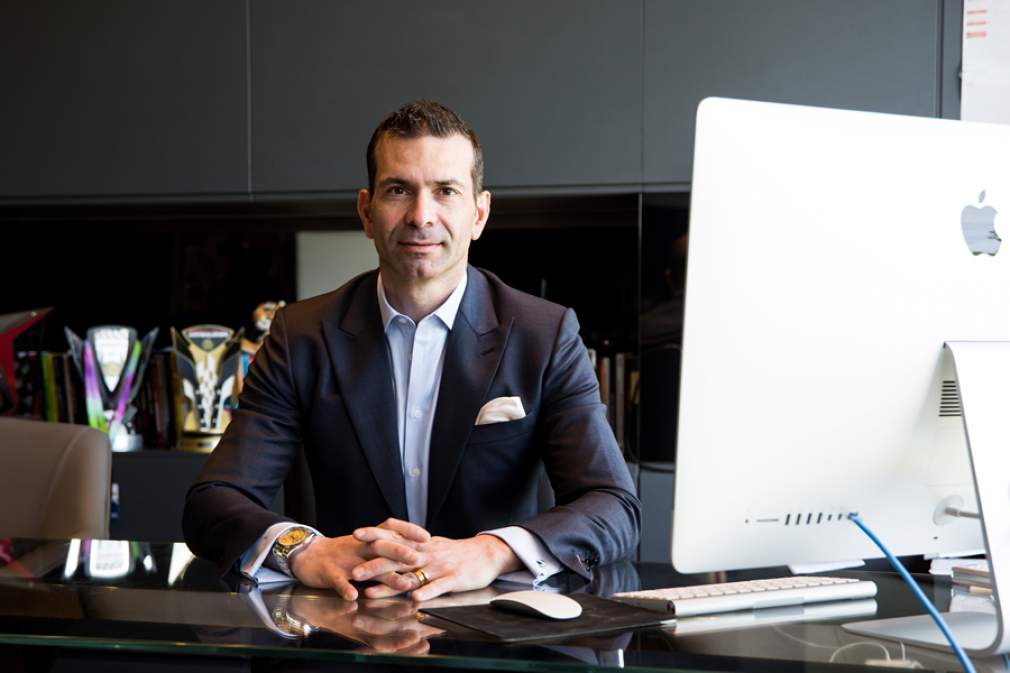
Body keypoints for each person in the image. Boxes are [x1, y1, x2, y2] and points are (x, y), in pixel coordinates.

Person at [182, 100, 640, 602]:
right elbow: (213, 502)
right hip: (345, 624)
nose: (421, 216)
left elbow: (613, 505)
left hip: (494, 627)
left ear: (479, 214)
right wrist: (305, 550)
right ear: (366, 211)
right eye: (399, 190)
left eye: (446, 191)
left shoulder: (544, 334)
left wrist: (490, 551)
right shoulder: (301, 335)